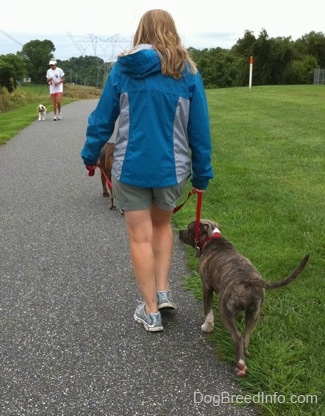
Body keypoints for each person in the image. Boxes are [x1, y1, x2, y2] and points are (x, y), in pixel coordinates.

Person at [80, 9, 214, 332]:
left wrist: (89, 154)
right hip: (172, 170)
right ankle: (164, 290)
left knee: (140, 237)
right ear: (172, 31)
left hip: (130, 168)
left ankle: (151, 310)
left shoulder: (123, 70)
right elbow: (200, 131)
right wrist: (202, 174)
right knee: (163, 226)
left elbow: (102, 119)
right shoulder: (189, 73)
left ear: (141, 31)